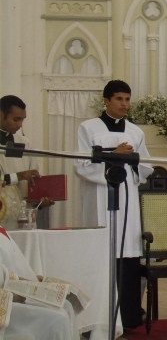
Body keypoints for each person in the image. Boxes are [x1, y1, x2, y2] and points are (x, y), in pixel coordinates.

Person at [75, 80, 153, 329]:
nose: (124, 104)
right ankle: (101, 318)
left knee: (127, 251)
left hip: (127, 197)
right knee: (102, 252)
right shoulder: (88, 128)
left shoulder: (135, 131)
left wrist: (132, 163)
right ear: (106, 100)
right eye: (119, 99)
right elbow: (81, 165)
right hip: (100, 195)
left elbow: (146, 165)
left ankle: (128, 317)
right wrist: (113, 157)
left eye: (127, 99)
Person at [0, 226, 79, 339]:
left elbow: (6, 271)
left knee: (66, 305)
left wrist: (37, 283)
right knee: (58, 321)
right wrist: (15, 293)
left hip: (12, 292)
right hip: (6, 307)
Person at [0, 95, 53, 229]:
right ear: (1, 115)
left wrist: (39, 201)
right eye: (16, 119)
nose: (20, 125)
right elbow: (19, 176)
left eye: (22, 120)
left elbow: (33, 180)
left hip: (25, 217)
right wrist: (19, 176)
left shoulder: (24, 142)